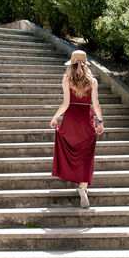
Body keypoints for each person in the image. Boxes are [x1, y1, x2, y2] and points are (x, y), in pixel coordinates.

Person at [50, 50, 104, 208]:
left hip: (70, 119)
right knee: (86, 155)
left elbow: (65, 103)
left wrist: (55, 118)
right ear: (86, 63)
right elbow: (96, 104)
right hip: (86, 120)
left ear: (71, 63)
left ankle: (73, 176)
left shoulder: (67, 79)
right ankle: (83, 187)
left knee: (69, 147)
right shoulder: (93, 81)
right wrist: (100, 121)